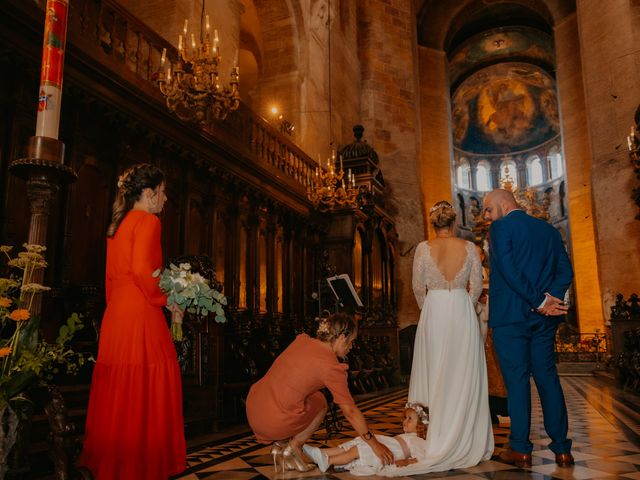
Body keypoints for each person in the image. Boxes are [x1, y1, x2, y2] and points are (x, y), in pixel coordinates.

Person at [79, 164, 186, 479]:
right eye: (163, 193)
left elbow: (111, 278)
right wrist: (167, 300)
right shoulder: (149, 221)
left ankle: (116, 463)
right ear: (150, 194)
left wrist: (117, 310)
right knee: (148, 384)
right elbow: (143, 271)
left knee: (121, 388)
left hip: (117, 315)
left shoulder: (118, 224)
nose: (165, 200)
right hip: (141, 312)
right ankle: (142, 465)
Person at [399, 200, 494, 475]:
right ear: (453, 224)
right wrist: (465, 304)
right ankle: (465, 435)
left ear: (433, 224)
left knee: (435, 370)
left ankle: (436, 434)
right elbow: (476, 287)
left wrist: (429, 308)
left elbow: (418, 288)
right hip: (462, 309)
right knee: (463, 371)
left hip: (434, 309)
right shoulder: (468, 247)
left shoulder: (422, 248)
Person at [483, 188, 574, 468]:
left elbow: (509, 270)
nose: (486, 216)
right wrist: (550, 299)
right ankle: (562, 449)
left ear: (504, 204)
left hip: (511, 319)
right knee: (548, 380)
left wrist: (540, 300)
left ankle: (520, 449)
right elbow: (565, 271)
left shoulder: (500, 228)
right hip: (543, 321)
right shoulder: (548, 231)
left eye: (488, 209)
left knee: (518, 383)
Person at [245, 313, 394, 472]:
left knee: (312, 396)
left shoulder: (302, 341)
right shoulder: (332, 367)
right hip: (273, 421)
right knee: (321, 402)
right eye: (351, 342)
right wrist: (374, 444)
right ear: (342, 337)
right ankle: (294, 447)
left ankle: (279, 446)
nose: (351, 347)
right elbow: (350, 411)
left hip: (253, 409)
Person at [303, 402, 428, 475]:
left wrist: (406, 462)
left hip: (388, 452)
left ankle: (328, 461)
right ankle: (321, 453)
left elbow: (421, 457)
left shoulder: (418, 440)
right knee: (353, 445)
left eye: (409, 419)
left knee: (355, 451)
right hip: (383, 443)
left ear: (421, 425)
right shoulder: (408, 436)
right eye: (405, 418)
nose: (404, 421)